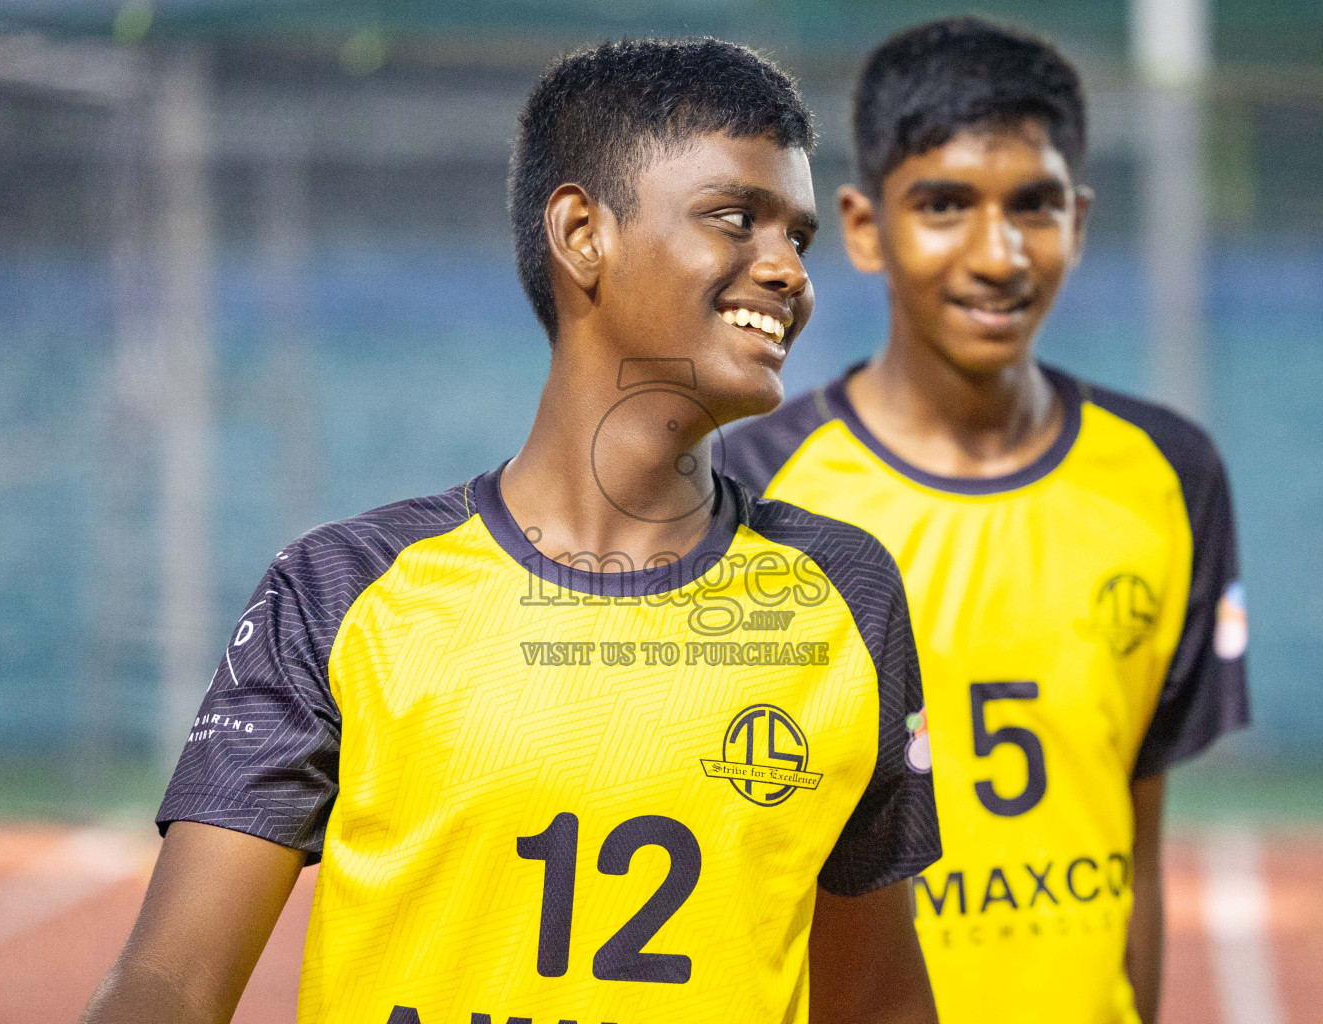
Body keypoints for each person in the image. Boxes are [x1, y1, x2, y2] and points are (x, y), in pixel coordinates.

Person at [83, 38, 942, 1024]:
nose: (788, 270)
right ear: (582, 232)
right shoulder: (341, 589)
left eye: (799, 237)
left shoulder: (844, 593)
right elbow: (172, 980)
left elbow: (875, 1001)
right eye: (737, 219)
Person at [725, 18, 1250, 1024]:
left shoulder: (1172, 475)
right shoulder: (758, 490)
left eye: (1035, 206)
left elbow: (1140, 836)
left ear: (1081, 219)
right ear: (866, 226)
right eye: (945, 204)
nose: (997, 252)